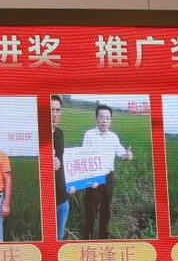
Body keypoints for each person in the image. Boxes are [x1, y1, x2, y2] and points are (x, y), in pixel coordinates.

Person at [81, 104, 133, 240]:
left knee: (106, 208)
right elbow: (84, 156)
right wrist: (90, 179)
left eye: (107, 118)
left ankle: (103, 235)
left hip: (108, 177)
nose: (104, 121)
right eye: (101, 117)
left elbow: (122, 155)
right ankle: (88, 236)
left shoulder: (113, 137)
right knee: (91, 209)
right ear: (96, 119)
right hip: (93, 177)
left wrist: (128, 155)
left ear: (110, 120)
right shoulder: (89, 135)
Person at [51, 95, 70, 240]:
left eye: (58, 110)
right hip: (48, 201)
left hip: (63, 198)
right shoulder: (38, 135)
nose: (54, 114)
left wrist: (72, 184)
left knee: (60, 238)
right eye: (51, 110)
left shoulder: (59, 133)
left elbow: (63, 162)